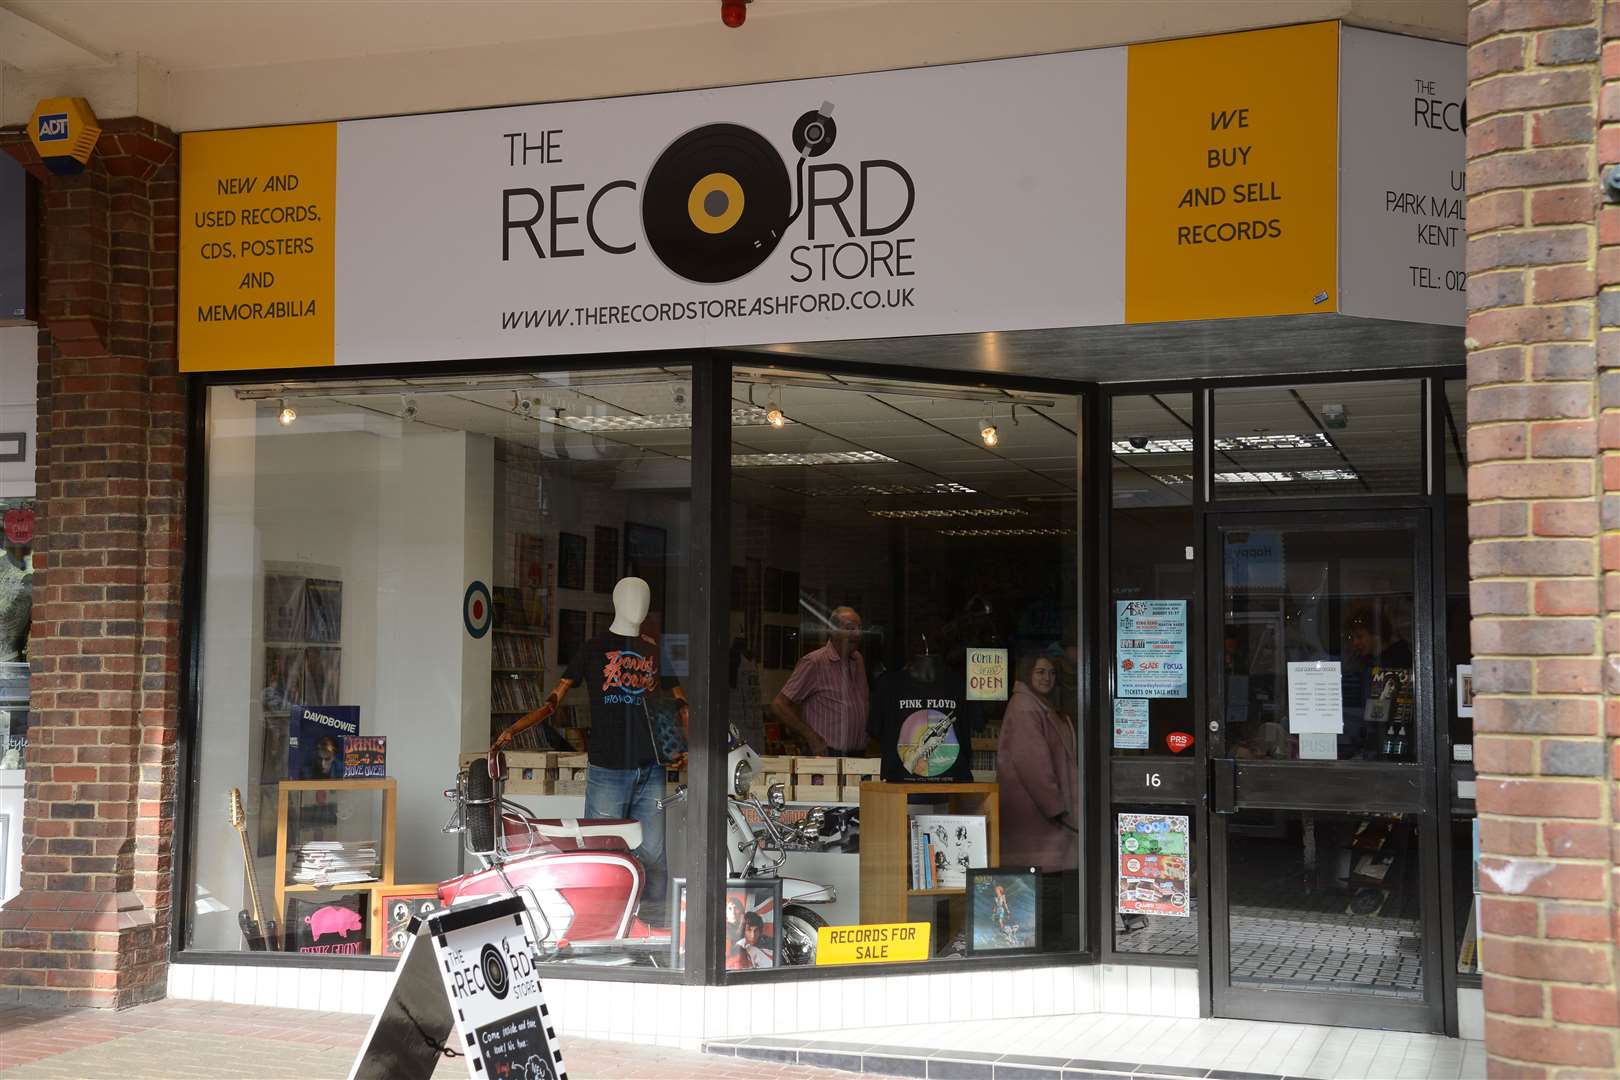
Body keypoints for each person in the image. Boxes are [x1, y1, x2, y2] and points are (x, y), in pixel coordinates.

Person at [997, 653, 1079, 947]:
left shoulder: (1039, 705)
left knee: (1042, 880)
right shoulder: (1024, 707)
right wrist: (1057, 808)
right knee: (1040, 880)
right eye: (1040, 672)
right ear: (1026, 674)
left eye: (1051, 673)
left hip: (1045, 814)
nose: (1046, 678)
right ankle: (1045, 941)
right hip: (1038, 814)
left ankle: (1044, 938)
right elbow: (1033, 764)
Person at [769, 606, 869, 756]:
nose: (857, 633)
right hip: (827, 756)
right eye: (850, 628)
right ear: (833, 631)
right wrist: (811, 736)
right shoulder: (814, 662)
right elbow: (779, 706)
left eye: (859, 628)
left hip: (857, 757)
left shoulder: (858, 660)